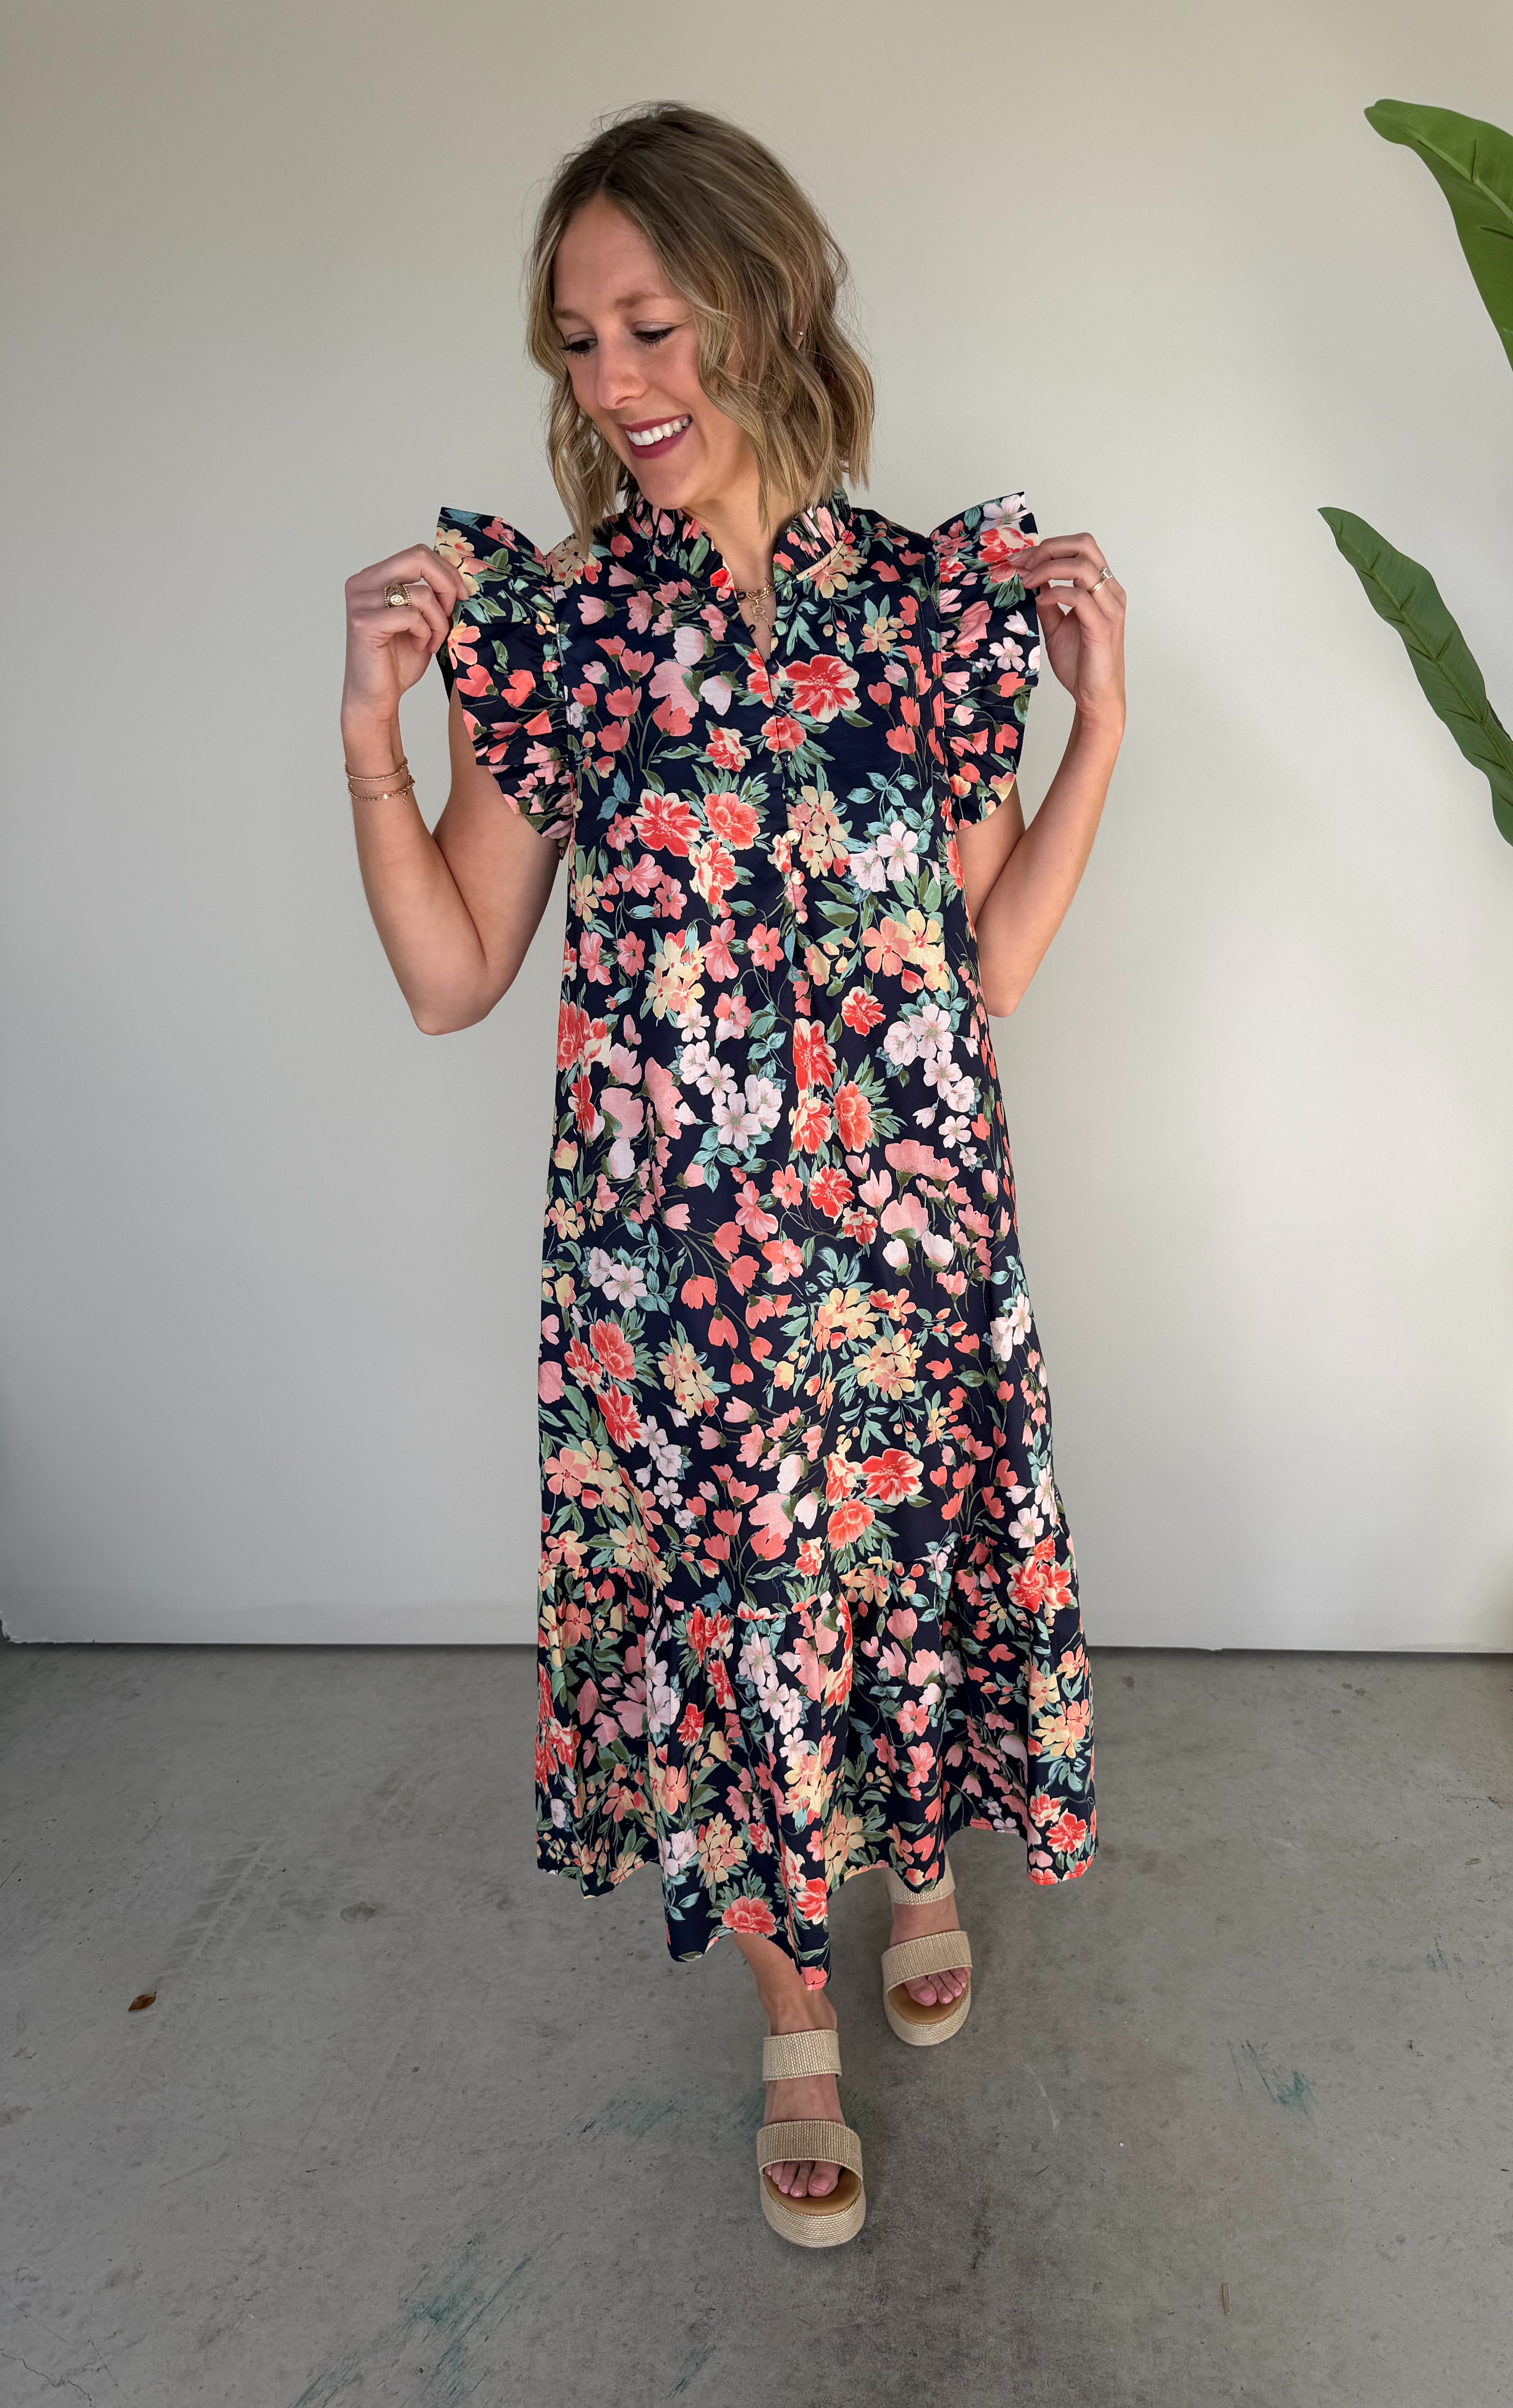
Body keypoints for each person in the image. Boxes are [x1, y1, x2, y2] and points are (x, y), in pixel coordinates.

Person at [339, 100, 1122, 2249]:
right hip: (679, 1276)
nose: (614, 383)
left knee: (903, 1568)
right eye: (579, 342)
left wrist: (1099, 736)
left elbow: (990, 965)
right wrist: (372, 748)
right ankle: (795, 2008)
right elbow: (453, 976)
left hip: (912, 1234)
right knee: (737, 1617)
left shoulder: (931, 608)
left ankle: (917, 1856)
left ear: (763, 307)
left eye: (651, 326)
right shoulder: (566, 629)